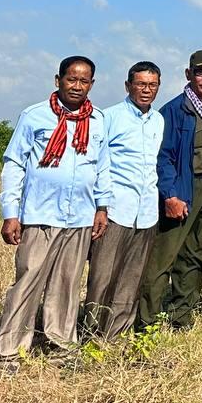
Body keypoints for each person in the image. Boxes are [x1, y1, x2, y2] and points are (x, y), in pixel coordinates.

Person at [0, 56, 110, 363]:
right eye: (71, 79)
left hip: (80, 216)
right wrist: (10, 212)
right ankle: (10, 350)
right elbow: (14, 164)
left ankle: (61, 344)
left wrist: (102, 207)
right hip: (40, 214)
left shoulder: (98, 120)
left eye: (84, 81)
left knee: (67, 283)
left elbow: (102, 168)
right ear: (58, 80)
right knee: (28, 279)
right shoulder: (35, 116)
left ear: (92, 84)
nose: (77, 86)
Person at [137, 50, 202, 330]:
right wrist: (171, 195)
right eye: (200, 72)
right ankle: (147, 321)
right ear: (189, 74)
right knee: (162, 259)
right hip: (182, 189)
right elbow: (163, 157)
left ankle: (181, 316)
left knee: (196, 256)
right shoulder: (174, 111)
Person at [83, 61, 164, 339]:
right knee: (102, 276)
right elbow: (97, 164)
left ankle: (116, 334)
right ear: (128, 85)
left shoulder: (158, 120)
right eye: (140, 84)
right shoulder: (109, 117)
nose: (146, 90)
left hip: (146, 212)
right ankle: (91, 332)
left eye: (152, 85)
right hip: (116, 208)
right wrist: (101, 206)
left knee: (132, 277)